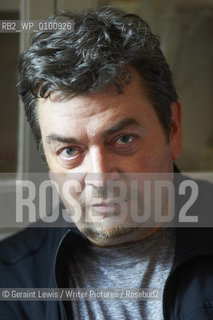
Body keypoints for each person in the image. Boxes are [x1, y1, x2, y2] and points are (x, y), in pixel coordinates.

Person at [0, 6, 213, 320]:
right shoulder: (10, 282)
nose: (99, 178)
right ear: (47, 159)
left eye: (123, 139)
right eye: (70, 151)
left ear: (174, 128)